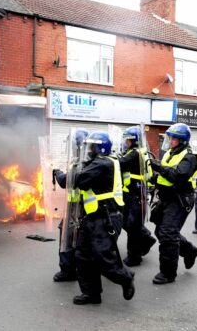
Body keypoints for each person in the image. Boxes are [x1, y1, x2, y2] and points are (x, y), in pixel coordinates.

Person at [72, 131, 135, 305]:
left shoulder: (101, 163)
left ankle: (125, 277)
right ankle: (92, 294)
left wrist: (61, 175)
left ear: (100, 147)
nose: (89, 149)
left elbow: (79, 180)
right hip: (92, 216)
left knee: (101, 257)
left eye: (92, 146)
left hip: (105, 217)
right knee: (83, 255)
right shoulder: (100, 162)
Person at [149, 123, 197, 284]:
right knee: (160, 231)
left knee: (168, 234)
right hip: (166, 197)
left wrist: (160, 168)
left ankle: (168, 273)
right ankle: (189, 251)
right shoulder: (169, 154)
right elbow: (166, 175)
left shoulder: (190, 157)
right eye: (170, 138)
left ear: (182, 141)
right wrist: (154, 179)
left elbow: (178, 176)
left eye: (174, 139)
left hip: (179, 199)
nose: (170, 141)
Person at [52, 128, 88, 282]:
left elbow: (66, 180)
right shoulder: (85, 160)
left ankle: (68, 271)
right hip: (81, 207)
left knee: (67, 237)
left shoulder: (81, 162)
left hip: (78, 208)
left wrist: (57, 172)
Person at [118, 126, 156, 267]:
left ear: (134, 140)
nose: (125, 142)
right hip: (131, 193)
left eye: (128, 139)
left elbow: (120, 163)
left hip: (135, 194)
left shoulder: (136, 153)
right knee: (126, 223)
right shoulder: (134, 152)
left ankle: (134, 257)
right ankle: (146, 238)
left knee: (132, 226)